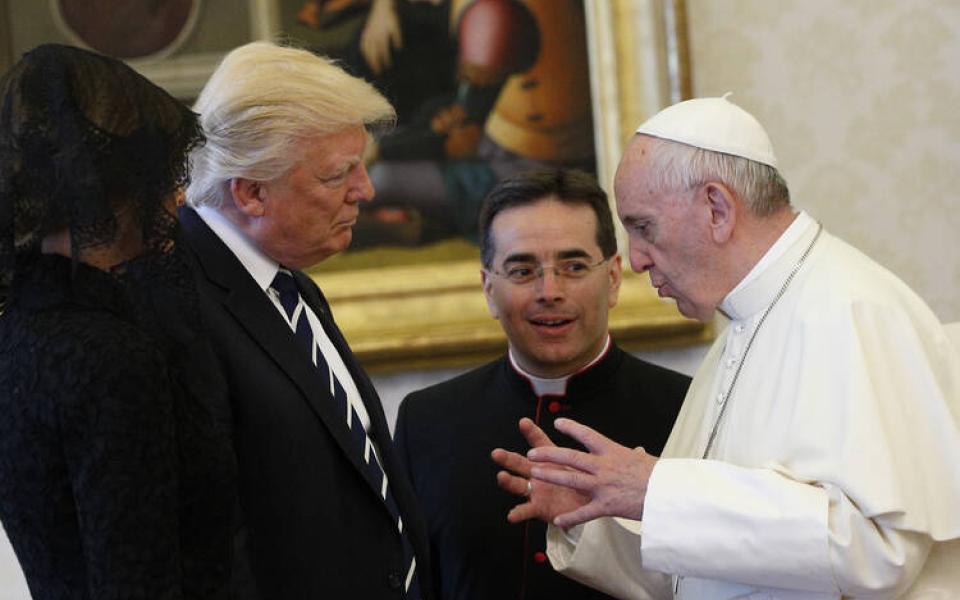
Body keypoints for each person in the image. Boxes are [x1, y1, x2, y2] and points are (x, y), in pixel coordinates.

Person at [492, 96, 960, 598]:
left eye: (643, 227)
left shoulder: (851, 310)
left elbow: (877, 552)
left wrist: (657, 492)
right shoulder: (740, 329)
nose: (636, 260)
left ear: (716, 208)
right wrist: (593, 512)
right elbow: (696, 572)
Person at [179, 41, 432, 599]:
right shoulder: (177, 304)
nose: (364, 190)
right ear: (250, 192)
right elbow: (207, 540)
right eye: (337, 175)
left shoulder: (286, 282)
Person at [0, 44, 235, 598]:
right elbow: (135, 577)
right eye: (164, 174)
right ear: (120, 190)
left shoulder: (18, 328)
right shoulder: (110, 355)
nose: (177, 198)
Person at [395, 169, 690, 600]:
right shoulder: (426, 421)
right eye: (522, 269)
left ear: (611, 280)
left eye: (573, 267)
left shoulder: (686, 409)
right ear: (488, 289)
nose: (549, 290)